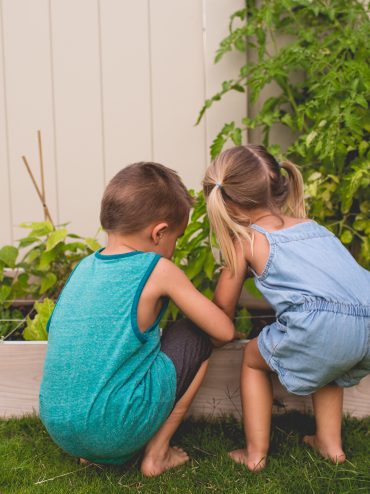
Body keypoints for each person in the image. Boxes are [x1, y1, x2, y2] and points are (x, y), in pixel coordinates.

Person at [39, 162, 235, 477]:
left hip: (60, 428)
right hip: (113, 427)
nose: (175, 247)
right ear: (159, 232)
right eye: (177, 237)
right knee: (194, 334)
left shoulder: (83, 268)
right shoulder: (157, 269)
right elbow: (224, 331)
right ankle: (158, 454)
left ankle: (93, 452)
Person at [203, 145, 370, 471]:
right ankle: (330, 445)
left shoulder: (247, 240)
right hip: (366, 318)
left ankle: (255, 454)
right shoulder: (312, 227)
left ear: (229, 204)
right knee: (329, 358)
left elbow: (223, 305)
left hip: (321, 326)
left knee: (252, 358)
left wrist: (221, 332)